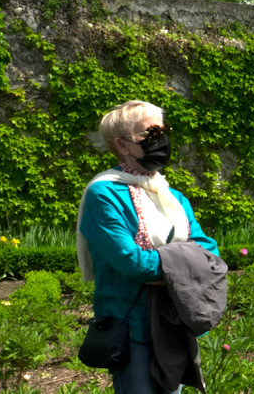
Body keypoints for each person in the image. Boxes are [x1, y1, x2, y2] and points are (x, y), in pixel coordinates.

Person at [76, 100, 221, 394]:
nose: (161, 141)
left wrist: (170, 265)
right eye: (149, 134)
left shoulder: (171, 195)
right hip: (132, 328)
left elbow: (210, 254)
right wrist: (185, 266)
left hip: (171, 323)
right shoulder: (104, 194)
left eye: (163, 131)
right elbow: (133, 264)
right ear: (122, 145)